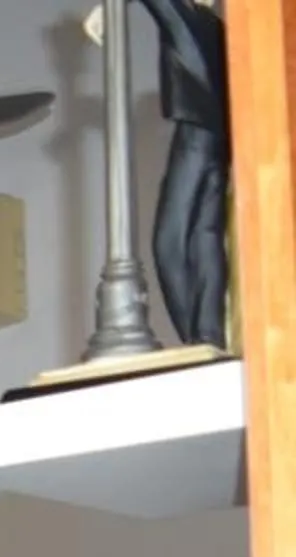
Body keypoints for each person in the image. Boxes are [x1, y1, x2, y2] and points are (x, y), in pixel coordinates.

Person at [129, 0, 229, 348]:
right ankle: (208, 333)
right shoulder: (218, 29)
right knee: (204, 235)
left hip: (196, 135)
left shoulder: (192, 19)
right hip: (218, 140)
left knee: (168, 240)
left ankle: (197, 338)